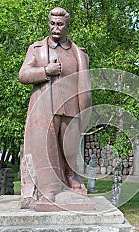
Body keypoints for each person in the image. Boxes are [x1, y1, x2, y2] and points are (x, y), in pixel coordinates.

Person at [18, 7, 92, 209]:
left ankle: (71, 178)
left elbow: (84, 84)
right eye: (52, 24)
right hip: (46, 109)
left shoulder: (79, 53)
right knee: (47, 149)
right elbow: (23, 74)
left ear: (67, 27)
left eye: (60, 25)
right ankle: (48, 188)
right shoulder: (37, 49)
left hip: (71, 106)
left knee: (69, 147)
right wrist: (45, 71)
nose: (55, 28)